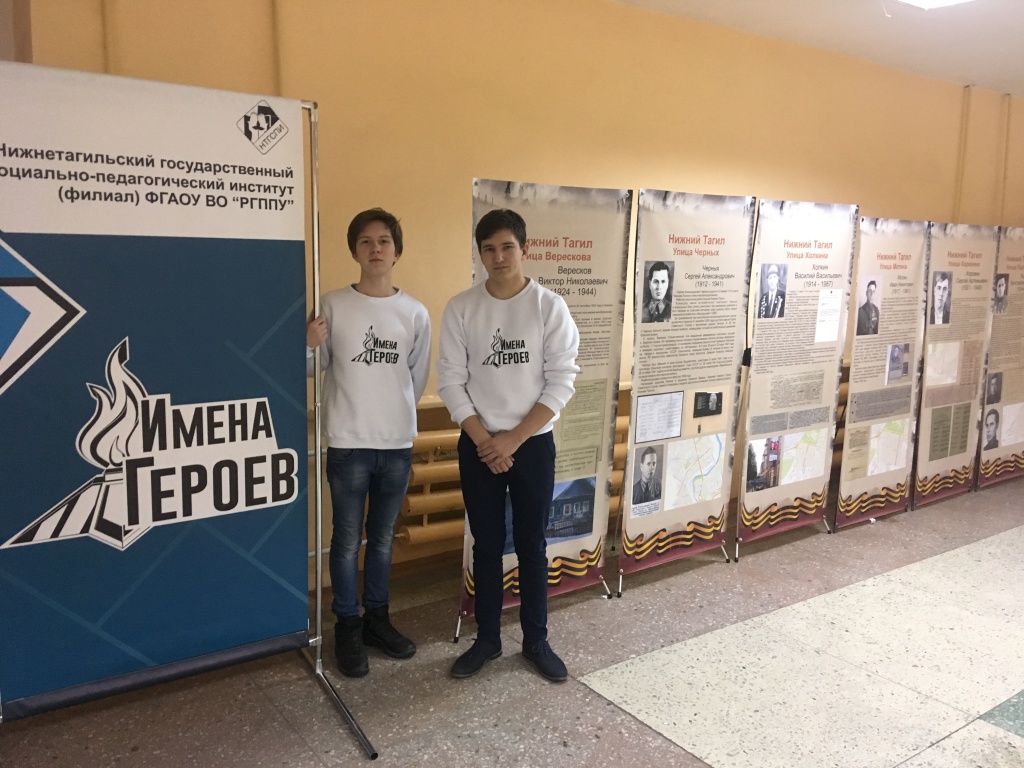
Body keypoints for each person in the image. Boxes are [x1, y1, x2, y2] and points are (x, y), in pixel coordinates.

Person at [438, 209, 580, 683]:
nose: (498, 257)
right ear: (479, 254)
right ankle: (487, 639)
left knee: (532, 545)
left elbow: (561, 381)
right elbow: (451, 381)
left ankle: (536, 640)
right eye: (488, 249)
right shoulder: (462, 307)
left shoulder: (549, 307)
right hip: (478, 445)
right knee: (486, 545)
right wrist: (486, 441)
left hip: (532, 445)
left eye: (507, 247)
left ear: (524, 249)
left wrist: (512, 441)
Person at [306, 208, 431, 678]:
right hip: (348, 442)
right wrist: (307, 343)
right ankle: (348, 624)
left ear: (397, 251)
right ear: (354, 251)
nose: (375, 248)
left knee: (381, 539)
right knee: (345, 541)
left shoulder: (415, 313)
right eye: (365, 241)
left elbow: (415, 379)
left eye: (383, 241)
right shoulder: (332, 305)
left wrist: (393, 416)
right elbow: (311, 368)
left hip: (396, 443)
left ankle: (378, 619)